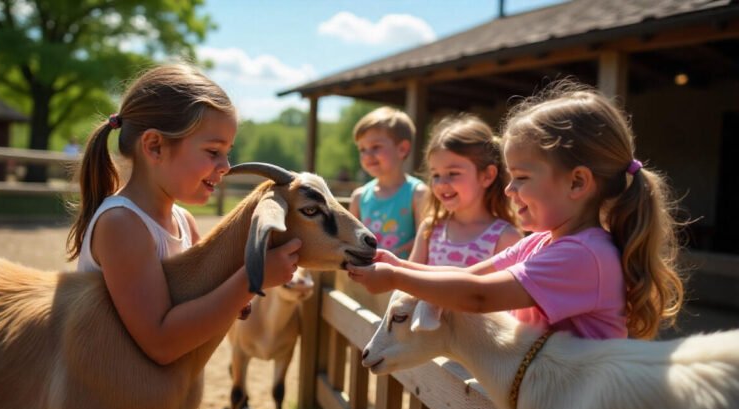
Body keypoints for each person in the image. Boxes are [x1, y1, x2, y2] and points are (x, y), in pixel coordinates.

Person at [348, 81, 685, 340]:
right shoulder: (541, 241)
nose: (509, 190)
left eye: (521, 177)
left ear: (577, 182)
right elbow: (470, 275)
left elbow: (478, 296)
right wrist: (399, 264)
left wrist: (395, 278)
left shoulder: (583, 255)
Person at [66, 64, 300, 365]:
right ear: (154, 146)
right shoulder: (121, 224)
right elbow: (161, 343)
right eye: (213, 152)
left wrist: (233, 297)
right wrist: (250, 281)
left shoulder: (184, 222)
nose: (226, 165)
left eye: (227, 152)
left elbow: (207, 298)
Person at [408, 113, 521, 268]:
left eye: (453, 173)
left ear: (487, 175)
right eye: (435, 175)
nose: (441, 183)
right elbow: (407, 283)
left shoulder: (506, 238)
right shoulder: (430, 229)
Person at [349, 106, 428, 259]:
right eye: (362, 149)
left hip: (404, 276)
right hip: (366, 276)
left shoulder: (418, 193)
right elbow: (350, 238)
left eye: (375, 147)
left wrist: (395, 262)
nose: (367, 155)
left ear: (402, 149)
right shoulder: (359, 197)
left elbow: (425, 239)